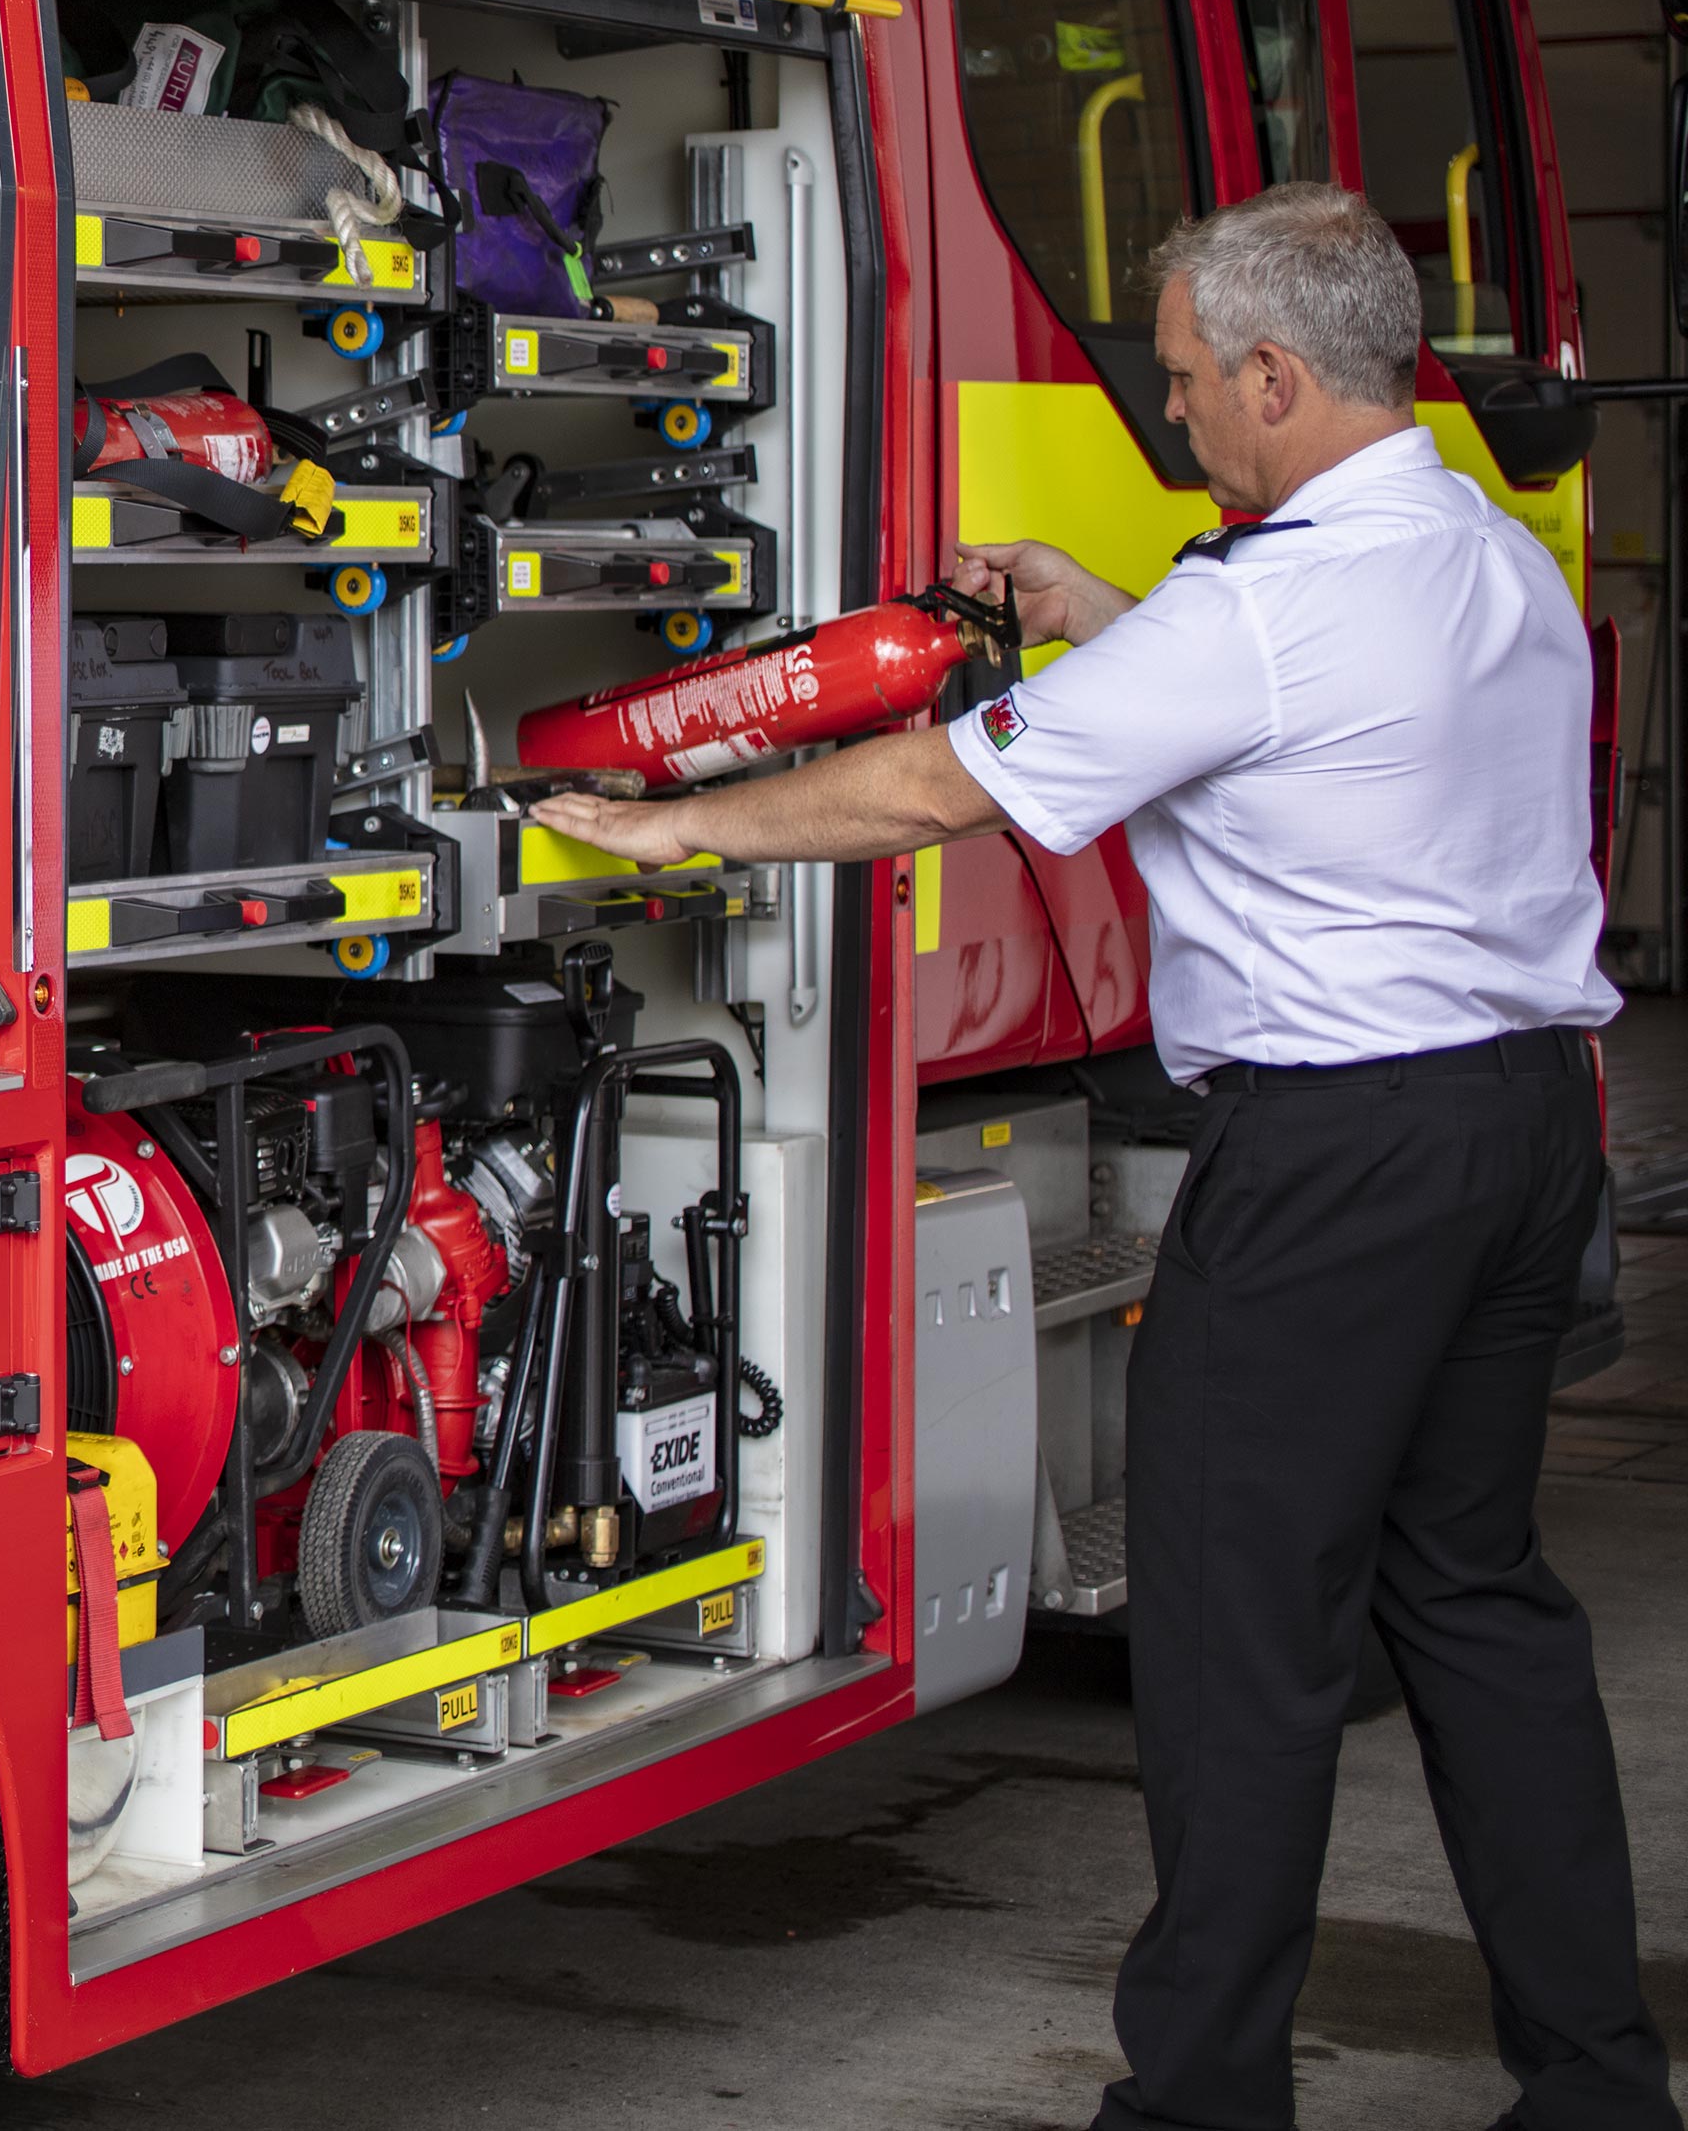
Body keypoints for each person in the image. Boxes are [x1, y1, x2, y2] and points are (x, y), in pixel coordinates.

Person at [542, 181, 1678, 2131]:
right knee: (1477, 1598)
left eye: (1183, 386)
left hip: (1335, 1159)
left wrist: (672, 833)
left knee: (1241, 1643)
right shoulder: (1480, 550)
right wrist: (1101, 615)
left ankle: (1204, 2100)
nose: (1175, 423)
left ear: (1275, 371)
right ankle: (1593, 2082)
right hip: (1516, 1124)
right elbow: (1320, 723)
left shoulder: (1268, 603)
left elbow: (931, 782)